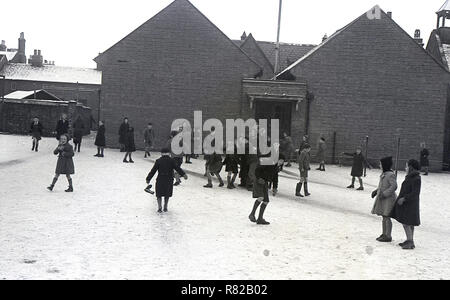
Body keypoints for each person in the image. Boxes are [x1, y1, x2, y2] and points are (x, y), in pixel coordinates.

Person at [146, 148, 188, 213]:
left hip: (160, 178)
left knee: (159, 194)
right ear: (168, 153)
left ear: (161, 153)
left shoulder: (158, 161)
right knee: (167, 193)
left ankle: (159, 207)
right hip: (169, 179)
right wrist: (184, 174)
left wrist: (148, 178)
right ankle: (165, 206)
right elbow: (178, 168)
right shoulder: (172, 161)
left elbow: (153, 171)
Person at [391, 159, 422, 250]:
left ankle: (410, 241)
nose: (405, 168)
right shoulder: (410, 177)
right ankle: (410, 240)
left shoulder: (416, 178)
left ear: (411, 167)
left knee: (406, 223)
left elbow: (415, 192)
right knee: (409, 223)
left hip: (410, 204)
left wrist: (404, 198)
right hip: (408, 203)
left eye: (407, 166)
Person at [249, 155, 285, 225]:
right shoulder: (269, 163)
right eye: (281, 160)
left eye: (283, 161)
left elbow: (275, 178)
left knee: (266, 201)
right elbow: (257, 169)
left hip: (265, 183)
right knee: (261, 197)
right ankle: (252, 214)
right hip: (259, 181)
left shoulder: (277, 167)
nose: (282, 162)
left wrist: (275, 188)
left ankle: (260, 218)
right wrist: (259, 178)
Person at [371, 156, 398, 243]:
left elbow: (394, 186)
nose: (379, 165)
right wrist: (376, 191)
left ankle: (388, 235)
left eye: (380, 164)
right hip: (383, 199)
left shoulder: (390, 175)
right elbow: (381, 186)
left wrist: (385, 193)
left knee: (387, 217)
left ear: (384, 165)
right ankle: (384, 233)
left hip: (388, 200)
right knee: (384, 216)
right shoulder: (384, 174)